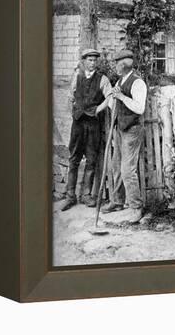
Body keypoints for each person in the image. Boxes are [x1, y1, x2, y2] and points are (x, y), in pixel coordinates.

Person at [60, 49, 112, 211]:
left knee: (91, 159)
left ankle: (86, 195)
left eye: (94, 60)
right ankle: (70, 196)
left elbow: (110, 96)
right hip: (78, 123)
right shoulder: (77, 77)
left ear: (97, 62)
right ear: (84, 62)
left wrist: (98, 109)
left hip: (93, 125)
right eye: (89, 60)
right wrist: (73, 111)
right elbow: (70, 96)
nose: (92, 63)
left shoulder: (102, 79)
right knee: (74, 159)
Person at [101, 49, 147, 224]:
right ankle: (118, 201)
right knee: (115, 166)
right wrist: (113, 98)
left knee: (128, 169)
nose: (115, 66)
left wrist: (121, 96)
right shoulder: (120, 81)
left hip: (133, 130)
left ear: (123, 65)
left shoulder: (138, 83)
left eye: (116, 63)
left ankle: (136, 207)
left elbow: (139, 108)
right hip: (120, 129)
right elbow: (115, 106)